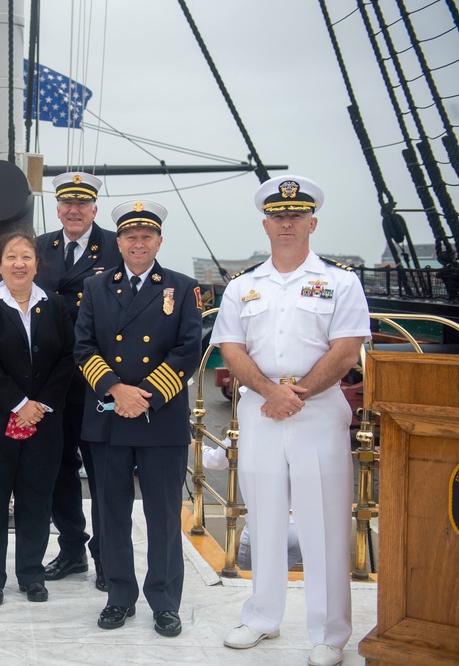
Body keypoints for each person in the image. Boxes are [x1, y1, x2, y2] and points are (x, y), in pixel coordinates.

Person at [211, 176, 369, 666]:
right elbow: (231, 348)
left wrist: (294, 394)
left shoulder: (341, 281)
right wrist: (270, 392)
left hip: (318, 416)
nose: (286, 223)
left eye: (296, 215)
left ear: (312, 223)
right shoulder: (243, 285)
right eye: (278, 217)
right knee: (265, 519)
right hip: (261, 415)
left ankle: (328, 633)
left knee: (323, 524)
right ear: (265, 224)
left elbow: (346, 349)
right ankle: (262, 617)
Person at [74, 199, 202, 636]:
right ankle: (119, 597)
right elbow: (83, 347)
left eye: (147, 236)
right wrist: (116, 390)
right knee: (110, 513)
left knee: (164, 516)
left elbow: (189, 349)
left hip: (159, 418)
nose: (138, 243)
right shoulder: (96, 287)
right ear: (119, 242)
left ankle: (165, 603)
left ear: (159, 241)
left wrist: (144, 397)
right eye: (130, 236)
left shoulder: (183, 288)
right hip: (109, 415)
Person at [0, 229, 75, 606]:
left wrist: (40, 405)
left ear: (36, 263)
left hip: (44, 420)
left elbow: (66, 358)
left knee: (36, 498)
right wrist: (18, 403)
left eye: (26, 256)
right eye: (11, 256)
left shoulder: (55, 305)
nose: (19, 263)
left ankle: (31, 573)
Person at [34, 171, 121, 590]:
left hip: (98, 381)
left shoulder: (116, 247)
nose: (74, 210)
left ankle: (106, 557)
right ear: (58, 207)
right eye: (67, 203)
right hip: (52, 381)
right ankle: (71, 550)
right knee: (57, 468)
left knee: (104, 472)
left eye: (82, 204)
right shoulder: (39, 248)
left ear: (94, 209)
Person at [195, 439, 302, 570]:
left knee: (250, 581)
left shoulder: (246, 428)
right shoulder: (301, 429)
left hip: (261, 527)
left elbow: (214, 460)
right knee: (279, 581)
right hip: (299, 527)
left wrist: (199, 447)